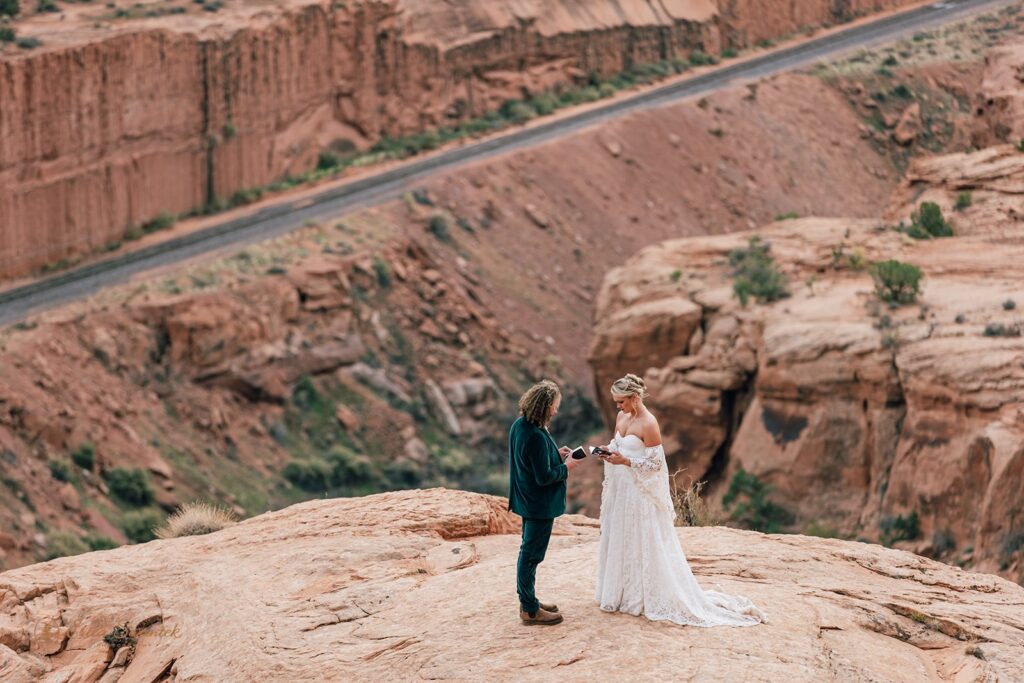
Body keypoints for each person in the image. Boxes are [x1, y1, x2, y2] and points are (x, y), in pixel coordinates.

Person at [595, 373, 767, 627]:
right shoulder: (622, 417)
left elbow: (656, 465)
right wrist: (610, 453)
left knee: (642, 540)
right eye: (616, 402)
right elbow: (619, 444)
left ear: (633, 398)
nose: (617, 407)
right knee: (622, 537)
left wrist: (627, 461)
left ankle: (642, 596)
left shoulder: (649, 423)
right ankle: (621, 592)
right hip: (622, 490)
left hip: (639, 494)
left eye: (621, 401)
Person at [508, 379, 583, 625]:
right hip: (539, 505)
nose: (556, 410)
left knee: (527, 551)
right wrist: (566, 466)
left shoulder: (520, 426)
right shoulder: (536, 436)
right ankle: (529, 609)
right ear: (544, 406)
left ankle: (529, 600)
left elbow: (529, 463)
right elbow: (544, 477)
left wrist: (554, 454)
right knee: (531, 555)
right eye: (553, 405)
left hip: (526, 500)